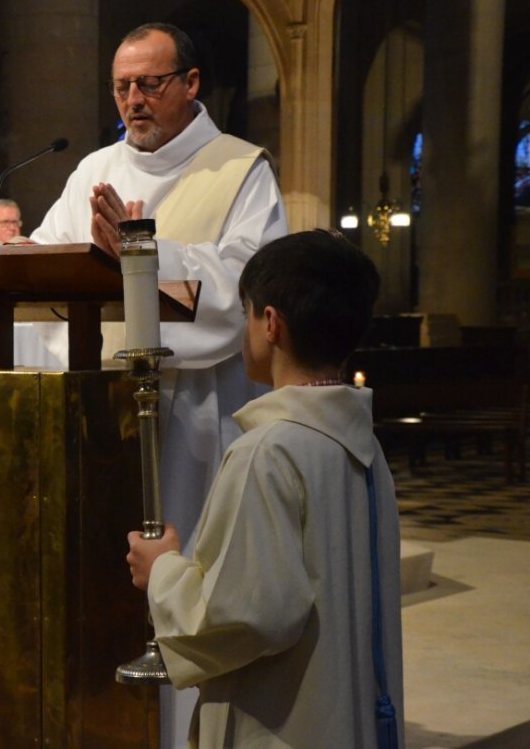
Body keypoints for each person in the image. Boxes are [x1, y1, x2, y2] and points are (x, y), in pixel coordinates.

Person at [29, 22, 288, 745]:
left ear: (191, 83)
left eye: (149, 84)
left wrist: (143, 249)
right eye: (121, 87)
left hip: (201, 417)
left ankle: (195, 732)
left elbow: (252, 281)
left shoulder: (241, 169)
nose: (133, 101)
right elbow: (46, 262)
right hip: (105, 409)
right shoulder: (94, 168)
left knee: (195, 575)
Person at [126, 230, 403, 748]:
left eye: (246, 313)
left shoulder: (267, 452)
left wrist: (161, 570)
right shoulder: (364, 447)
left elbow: (247, 615)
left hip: (284, 727)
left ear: (271, 323)